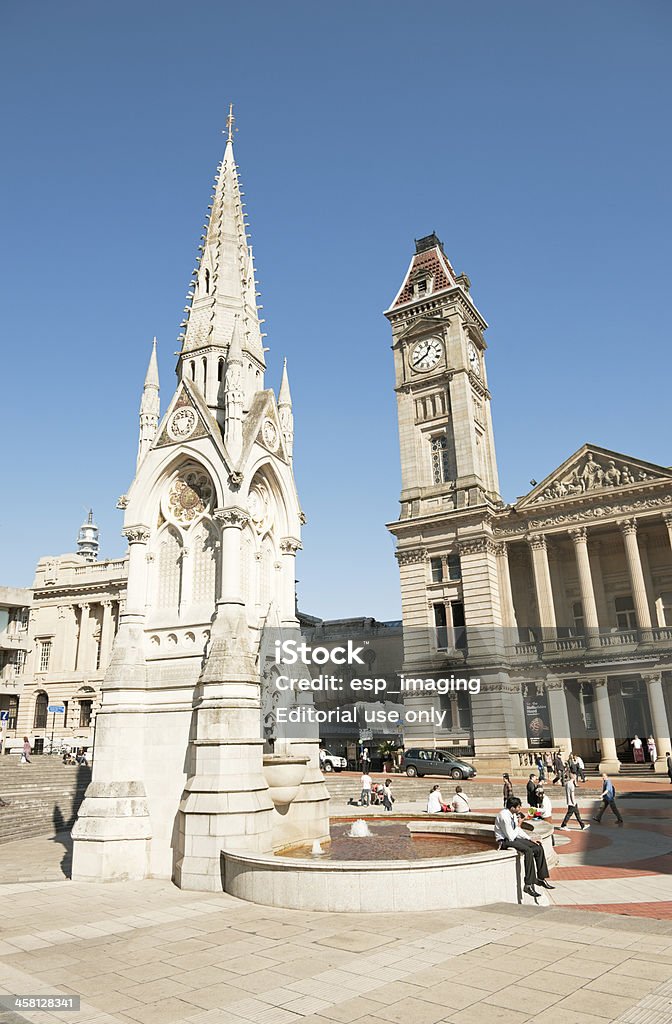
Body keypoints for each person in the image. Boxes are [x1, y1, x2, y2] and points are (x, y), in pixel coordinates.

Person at [494, 797, 555, 899]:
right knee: (528, 851)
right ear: (512, 807)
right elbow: (511, 836)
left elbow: (517, 830)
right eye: (518, 807)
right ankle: (528, 884)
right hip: (505, 841)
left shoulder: (512, 814)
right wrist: (519, 824)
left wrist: (530, 839)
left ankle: (540, 878)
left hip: (512, 838)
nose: (520, 808)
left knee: (538, 848)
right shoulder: (504, 816)